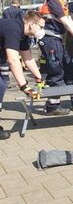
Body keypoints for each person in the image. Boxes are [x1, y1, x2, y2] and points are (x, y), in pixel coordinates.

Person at [0, 11, 47, 140]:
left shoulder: (23, 34)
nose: (42, 30)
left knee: (2, 85)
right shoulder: (13, 28)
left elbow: (28, 58)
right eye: (41, 27)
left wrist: (39, 78)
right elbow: (13, 60)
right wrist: (24, 87)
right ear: (32, 24)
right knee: (1, 85)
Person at [1, 0, 25, 86]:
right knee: (15, 57)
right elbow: (22, 22)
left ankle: (5, 79)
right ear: (18, 3)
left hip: (4, 35)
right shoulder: (19, 11)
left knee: (4, 58)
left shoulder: (6, 11)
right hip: (15, 34)